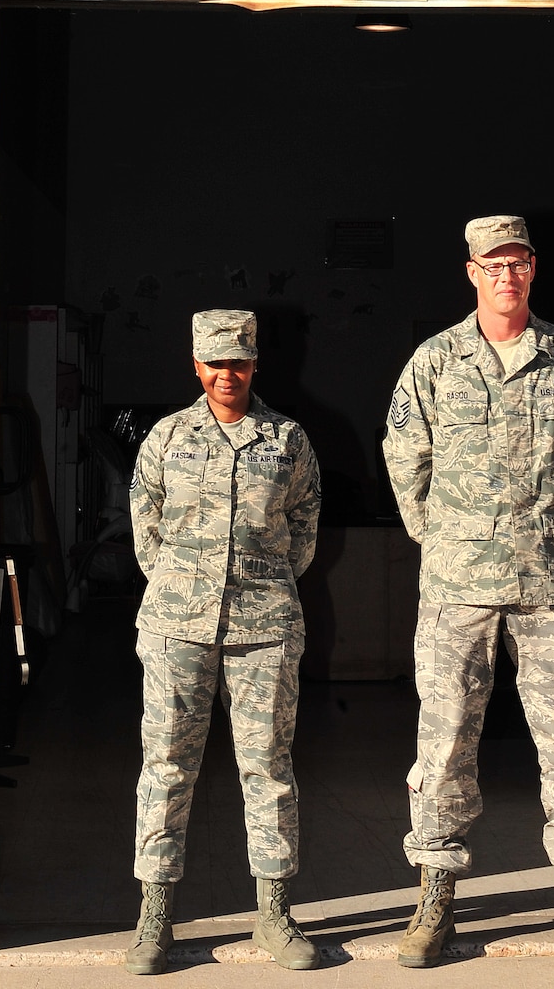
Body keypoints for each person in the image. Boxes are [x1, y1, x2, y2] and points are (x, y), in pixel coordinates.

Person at [383, 216, 554, 968]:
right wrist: (447, 538)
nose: (506, 276)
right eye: (493, 265)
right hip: (459, 584)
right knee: (445, 736)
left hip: (550, 578)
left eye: (517, 263)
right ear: (470, 273)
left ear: (533, 269)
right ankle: (435, 896)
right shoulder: (435, 359)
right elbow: (404, 456)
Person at [125, 310, 322, 974]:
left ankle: (273, 915)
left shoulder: (287, 439)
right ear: (195, 365)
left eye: (237, 361)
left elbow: (303, 527)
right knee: (166, 768)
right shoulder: (166, 438)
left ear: (254, 362)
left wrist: (256, 584)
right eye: (214, 363)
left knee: (267, 768)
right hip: (176, 626)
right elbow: (144, 529)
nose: (226, 374)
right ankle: (154, 918)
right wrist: (187, 586)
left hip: (263, 627)